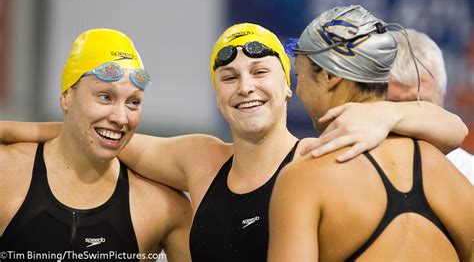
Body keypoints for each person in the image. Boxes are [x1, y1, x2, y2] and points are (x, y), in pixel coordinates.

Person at [0, 24, 468, 262]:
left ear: (288, 86)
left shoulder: (317, 160)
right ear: (218, 96)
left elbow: (453, 134)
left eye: (260, 72)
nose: (244, 86)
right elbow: (103, 134)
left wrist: (390, 112)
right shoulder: (199, 160)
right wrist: (13, 130)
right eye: (229, 77)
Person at [268, 5, 472, 261]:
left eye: (301, 75)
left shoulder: (304, 180)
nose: (298, 90)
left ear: (330, 76)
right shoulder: (447, 174)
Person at [0, 29, 192, 262]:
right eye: (105, 97)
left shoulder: (163, 206)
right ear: (66, 97)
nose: (121, 118)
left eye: (133, 102)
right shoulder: (6, 174)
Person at [387, 28, 473, 184]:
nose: (410, 124)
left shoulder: (470, 174)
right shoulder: (351, 171)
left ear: (443, 97)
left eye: (422, 106)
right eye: (395, 106)